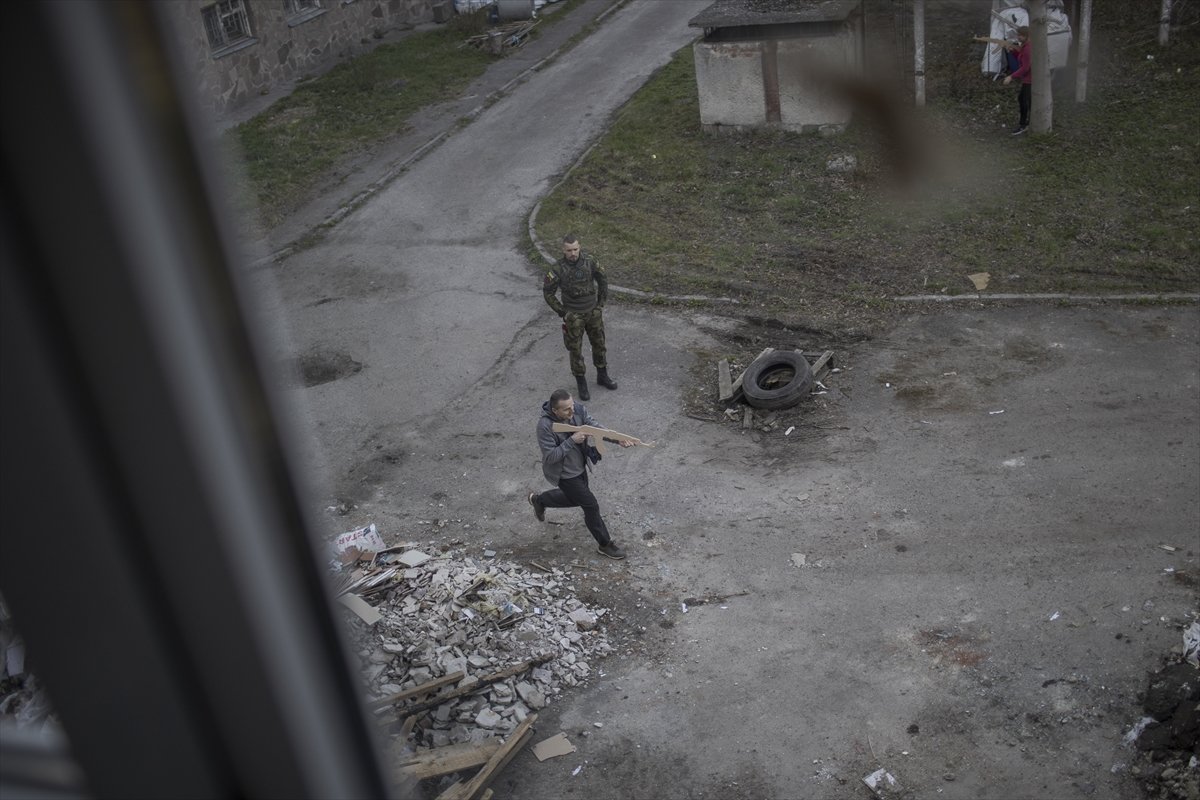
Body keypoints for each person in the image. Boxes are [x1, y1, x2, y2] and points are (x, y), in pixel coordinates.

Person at [528, 389, 630, 560]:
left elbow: (595, 428)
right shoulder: (545, 426)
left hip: (580, 468)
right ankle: (605, 544)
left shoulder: (579, 410)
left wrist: (617, 438)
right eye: (566, 409)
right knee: (590, 505)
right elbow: (550, 457)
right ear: (555, 411)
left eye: (572, 406)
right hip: (565, 475)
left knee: (576, 499)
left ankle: (539, 500)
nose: (572, 411)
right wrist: (571, 441)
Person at [542, 234, 617, 402]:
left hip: (593, 312)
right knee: (575, 350)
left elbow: (603, 280)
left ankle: (602, 375)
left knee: (599, 344)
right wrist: (562, 311)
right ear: (563, 250)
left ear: (579, 247)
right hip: (573, 315)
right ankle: (581, 383)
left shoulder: (590, 261)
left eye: (575, 249)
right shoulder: (557, 269)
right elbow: (548, 292)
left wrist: (600, 304)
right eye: (569, 250)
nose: (573, 253)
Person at [1003, 27, 1032, 135]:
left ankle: (1023, 125)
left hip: (1030, 80)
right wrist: (1013, 52)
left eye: (1021, 35)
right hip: (1028, 79)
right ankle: (1029, 122)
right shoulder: (1024, 47)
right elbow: (1021, 58)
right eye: (1018, 35)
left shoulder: (1028, 48)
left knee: (1024, 101)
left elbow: (1025, 67)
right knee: (1026, 101)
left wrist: (1011, 77)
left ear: (1027, 36)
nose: (1019, 37)